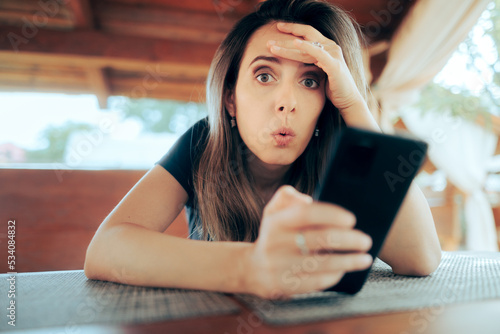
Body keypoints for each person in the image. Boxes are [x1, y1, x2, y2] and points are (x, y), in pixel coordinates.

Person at [84, 0, 441, 299]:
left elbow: (420, 258)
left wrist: (354, 105)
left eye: (310, 80)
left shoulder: (341, 152)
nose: (286, 102)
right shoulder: (202, 144)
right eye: (264, 76)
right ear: (230, 99)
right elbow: (106, 249)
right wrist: (249, 267)